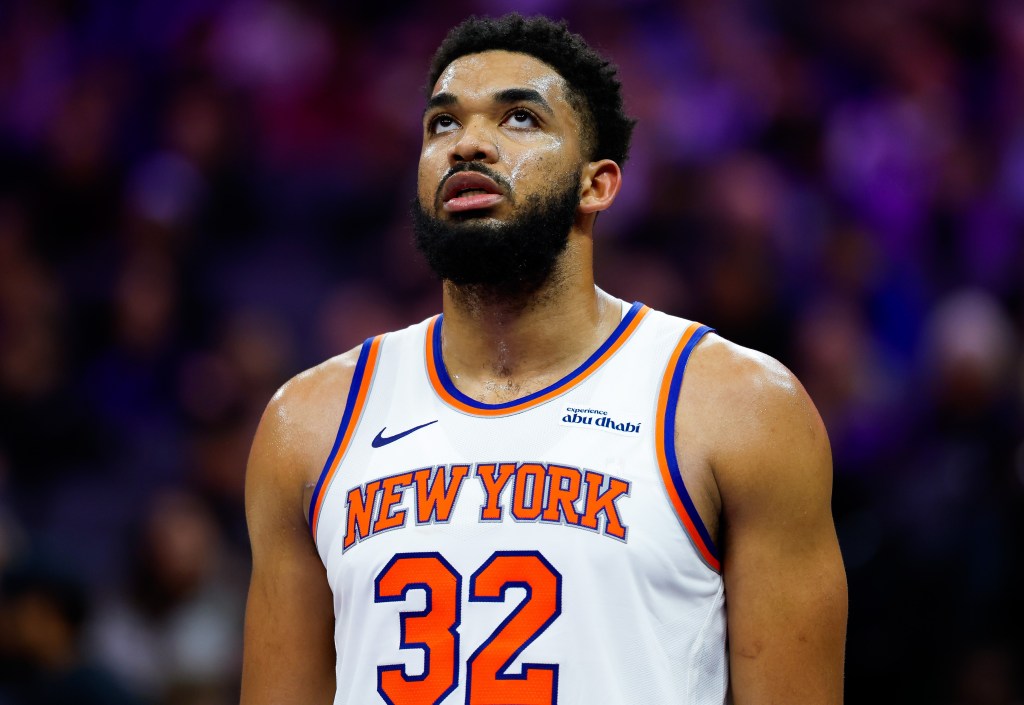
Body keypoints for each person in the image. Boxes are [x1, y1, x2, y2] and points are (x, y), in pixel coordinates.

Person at [240, 13, 847, 705]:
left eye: (519, 118)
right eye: (441, 123)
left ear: (599, 184)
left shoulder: (740, 408)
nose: (467, 143)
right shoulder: (307, 423)